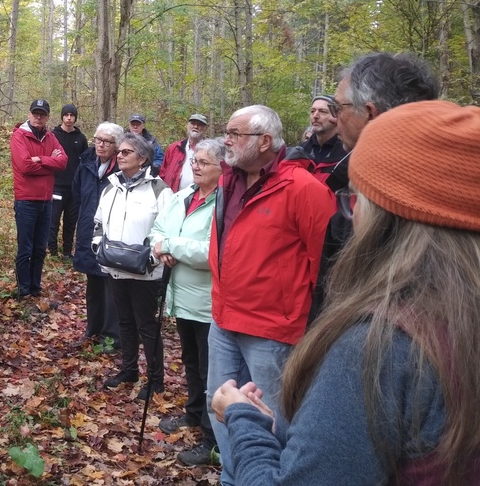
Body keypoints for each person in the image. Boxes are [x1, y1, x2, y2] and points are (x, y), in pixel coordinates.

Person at [212, 100, 480, 484]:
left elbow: (319, 263)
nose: (350, 213)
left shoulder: (376, 349)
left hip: (274, 327)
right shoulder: (449, 324)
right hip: (226, 316)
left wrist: (245, 421)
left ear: (386, 214)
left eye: (356, 197)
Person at [208, 105, 334, 485]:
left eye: (235, 133)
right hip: (223, 318)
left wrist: (314, 328)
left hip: (274, 331)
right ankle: (233, 477)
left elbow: (327, 266)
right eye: (226, 131)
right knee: (222, 408)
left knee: (274, 419)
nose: (225, 139)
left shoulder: (304, 189)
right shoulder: (226, 182)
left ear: (265, 141)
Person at [308, 53, 438, 324]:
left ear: (369, 113)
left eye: (337, 108)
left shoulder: (391, 201)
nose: (335, 118)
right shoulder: (452, 185)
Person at [151, 138, 225, 467]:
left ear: (222, 167)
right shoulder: (182, 196)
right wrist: (160, 245)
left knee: (213, 371)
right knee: (191, 362)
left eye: (204, 162)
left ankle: (213, 438)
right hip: (180, 295)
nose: (195, 166)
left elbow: (210, 252)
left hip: (208, 300)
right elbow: (158, 229)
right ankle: (194, 414)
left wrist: (171, 245)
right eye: (194, 161)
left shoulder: (224, 204)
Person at [94, 133, 173, 399]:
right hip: (115, 266)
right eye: (120, 151)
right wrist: (98, 246)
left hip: (145, 271)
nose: (120, 155)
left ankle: (155, 380)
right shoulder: (111, 186)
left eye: (127, 152)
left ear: (143, 158)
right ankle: (129, 370)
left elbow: (168, 228)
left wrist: (152, 257)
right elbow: (99, 222)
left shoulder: (159, 190)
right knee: (124, 321)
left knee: (146, 326)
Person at [71, 122, 123, 348]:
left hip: (112, 234)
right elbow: (77, 193)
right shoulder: (86, 162)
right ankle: (92, 329)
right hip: (87, 228)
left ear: (116, 146)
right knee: (92, 283)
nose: (101, 145)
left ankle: (111, 336)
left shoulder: (121, 168)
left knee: (110, 286)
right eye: (98, 140)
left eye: (107, 142)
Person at [10, 99, 67, 298]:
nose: (38, 117)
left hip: (46, 201)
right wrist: (49, 166)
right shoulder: (19, 136)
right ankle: (23, 290)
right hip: (26, 200)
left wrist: (42, 160)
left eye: (42, 114)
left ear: (47, 117)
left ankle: (35, 287)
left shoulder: (50, 138)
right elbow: (25, 166)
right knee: (25, 248)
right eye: (35, 113)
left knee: (40, 248)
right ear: (29, 114)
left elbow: (63, 161)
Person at [48, 104, 89, 259]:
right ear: (62, 117)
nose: (69, 118)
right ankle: (52, 251)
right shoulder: (53, 136)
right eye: (66, 115)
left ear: (75, 118)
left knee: (70, 222)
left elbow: (86, 162)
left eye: (72, 115)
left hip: (74, 188)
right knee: (53, 220)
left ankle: (67, 252)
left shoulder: (81, 138)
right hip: (56, 186)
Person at [298, 95, 347, 184]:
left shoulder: (347, 153)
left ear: (336, 116)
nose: (315, 116)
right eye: (312, 111)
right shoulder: (300, 151)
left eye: (323, 112)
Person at [159, 113, 209, 192]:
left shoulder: (210, 152)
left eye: (200, 125)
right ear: (188, 125)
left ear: (205, 128)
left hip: (197, 198)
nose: (195, 127)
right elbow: (162, 173)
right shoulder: (174, 148)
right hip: (172, 196)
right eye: (193, 123)